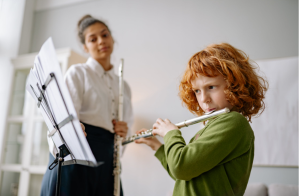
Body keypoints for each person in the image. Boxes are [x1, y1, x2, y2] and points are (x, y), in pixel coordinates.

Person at [135, 43, 268, 196]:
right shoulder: (213, 124)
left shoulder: (233, 122)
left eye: (211, 87)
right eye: (197, 91)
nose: (204, 99)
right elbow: (185, 174)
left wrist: (171, 133)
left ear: (234, 85)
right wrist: (157, 146)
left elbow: (182, 168)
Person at [41, 14, 133, 196]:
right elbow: (62, 121)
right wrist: (73, 129)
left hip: (107, 160)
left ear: (112, 38)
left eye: (105, 35)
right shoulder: (78, 73)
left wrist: (124, 132)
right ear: (85, 47)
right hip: (77, 156)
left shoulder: (124, 85)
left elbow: (125, 133)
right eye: (93, 39)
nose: (101, 41)